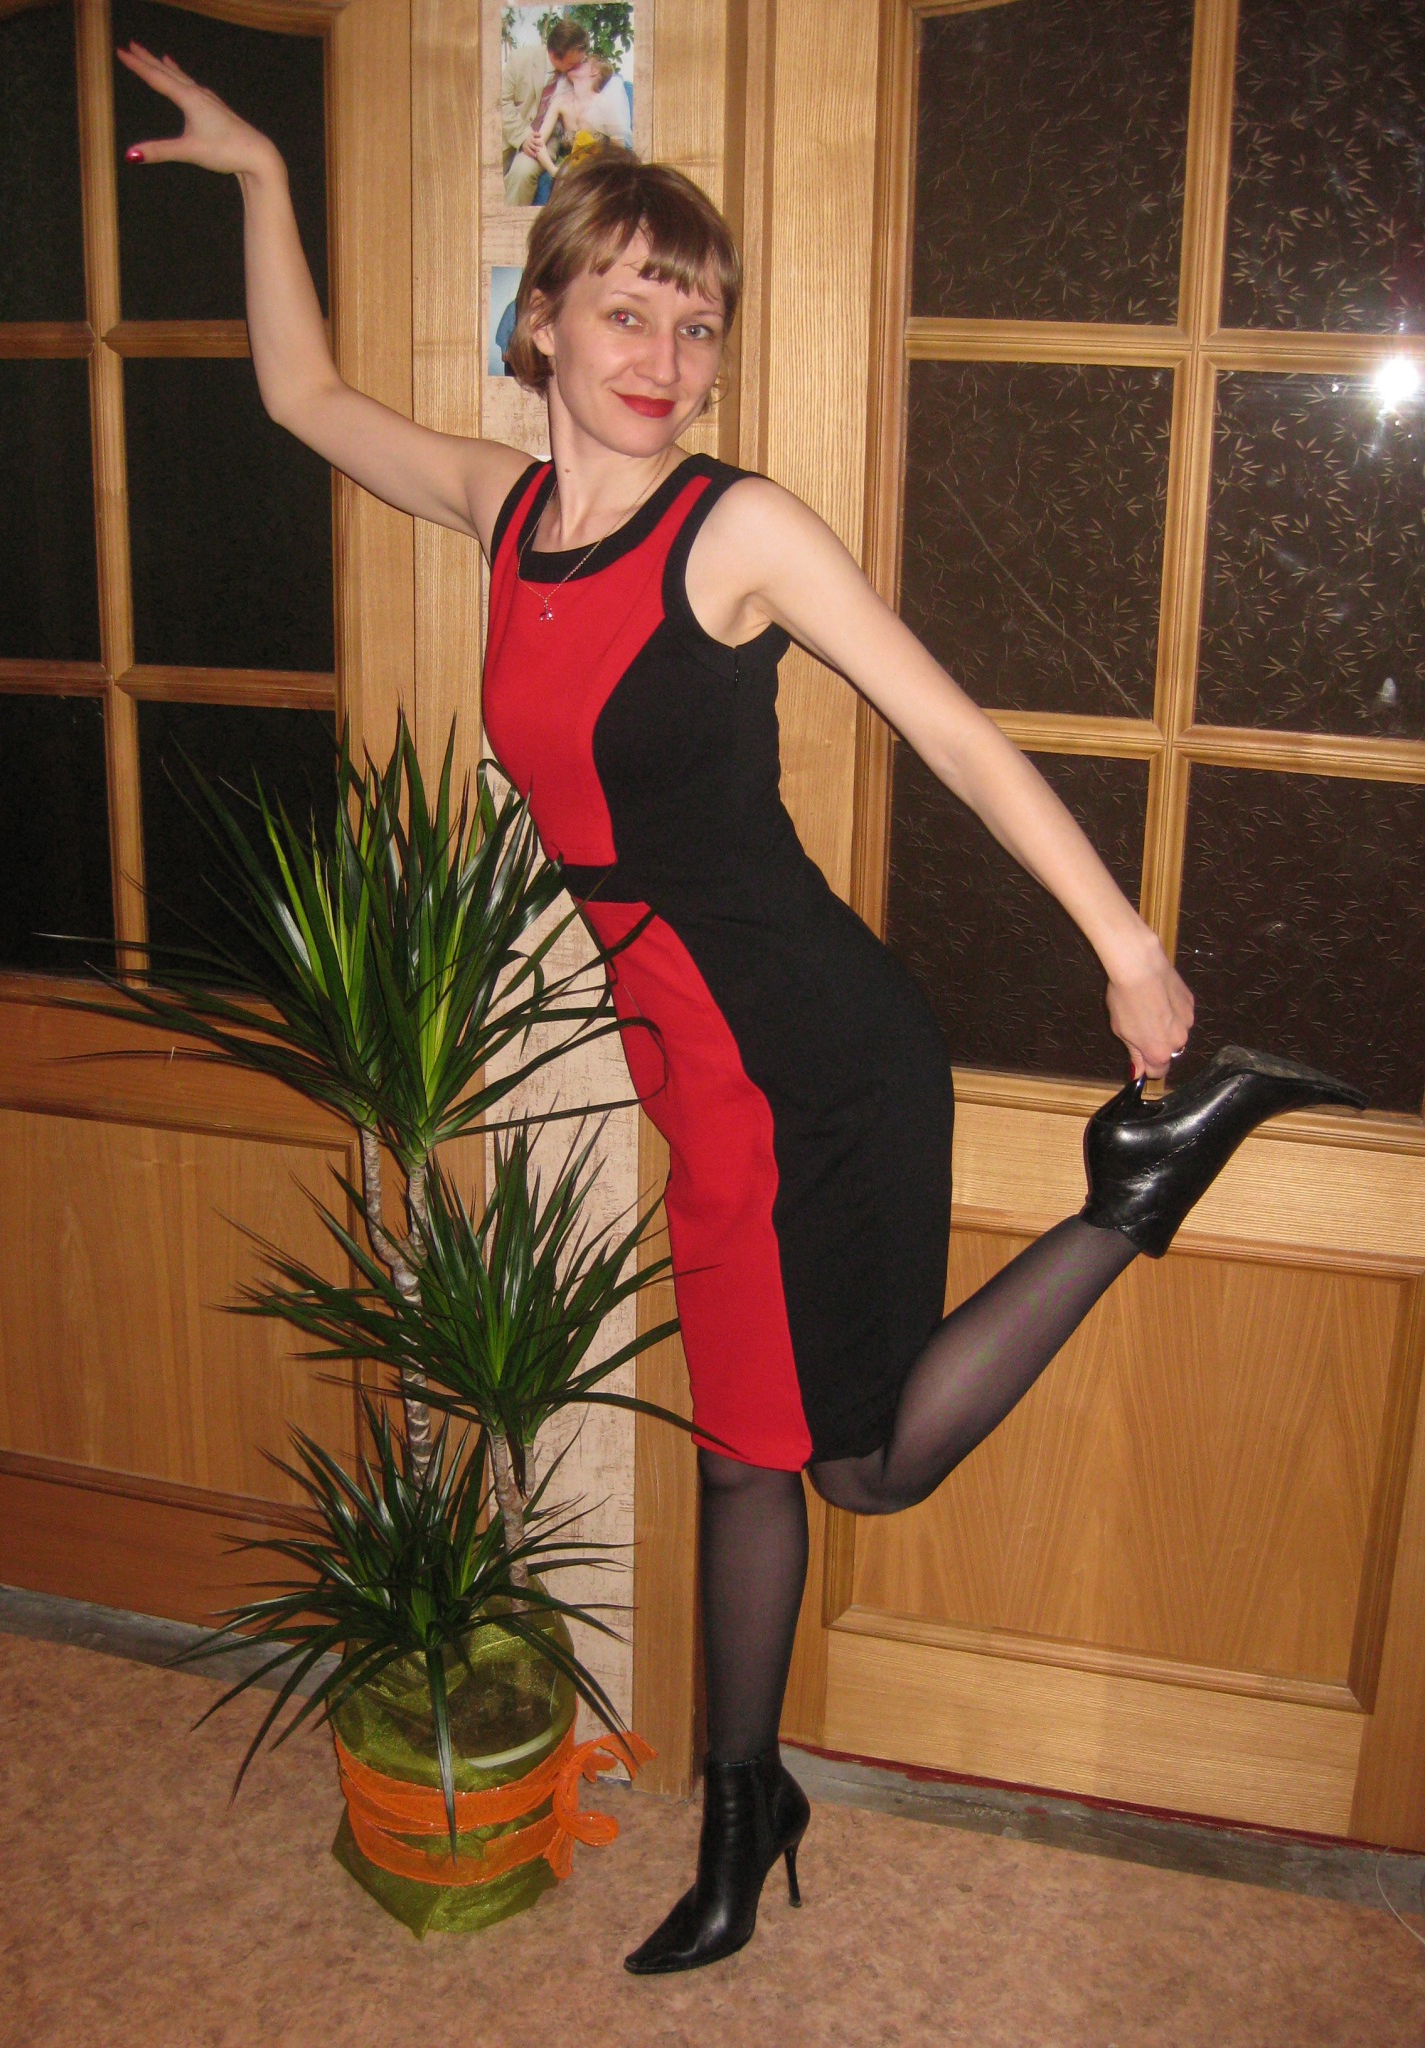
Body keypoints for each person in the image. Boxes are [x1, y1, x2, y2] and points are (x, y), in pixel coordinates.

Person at [117, 45, 1368, 1977]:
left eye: (698, 322)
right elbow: (303, 398)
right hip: (695, 1063)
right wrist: (266, 173)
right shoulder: (506, 510)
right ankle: (743, 1805)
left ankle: (1141, 1183)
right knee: (739, 1456)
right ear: (541, 322)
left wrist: (1126, 947)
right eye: (629, 309)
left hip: (812, 1054)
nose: (668, 353)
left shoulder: (737, 531)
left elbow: (948, 731)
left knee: (856, 1463)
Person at [501, 16, 589, 207]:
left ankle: (512, 224)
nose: (578, 67)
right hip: (513, 130)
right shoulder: (520, 60)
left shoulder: (578, 74)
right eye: (572, 64)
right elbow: (500, 103)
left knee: (522, 172)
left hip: (547, 139)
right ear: (556, 55)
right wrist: (523, 135)